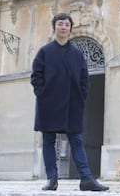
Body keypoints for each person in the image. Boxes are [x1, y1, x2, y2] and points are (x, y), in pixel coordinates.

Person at [30, 13, 109, 191]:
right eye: (60, 24)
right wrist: (42, 95)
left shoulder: (77, 54)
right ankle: (52, 179)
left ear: (70, 28)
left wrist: (81, 97)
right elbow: (36, 76)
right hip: (48, 104)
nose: (64, 27)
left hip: (72, 104)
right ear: (54, 27)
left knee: (77, 140)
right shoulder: (44, 51)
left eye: (67, 24)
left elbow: (84, 78)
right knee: (49, 140)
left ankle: (86, 178)